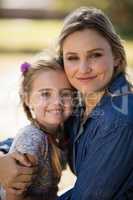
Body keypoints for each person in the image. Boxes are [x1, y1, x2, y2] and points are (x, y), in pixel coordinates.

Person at [1, 6, 133, 199]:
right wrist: (3, 157)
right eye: (72, 58)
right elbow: (41, 133)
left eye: (95, 55)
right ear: (63, 63)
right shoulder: (81, 101)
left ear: (116, 57)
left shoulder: (118, 119)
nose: (83, 68)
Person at [1, 52, 74, 200]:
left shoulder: (60, 133)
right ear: (27, 99)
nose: (57, 102)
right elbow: (14, 192)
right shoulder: (33, 139)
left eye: (65, 94)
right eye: (46, 94)